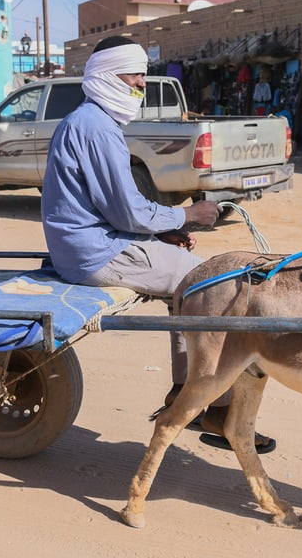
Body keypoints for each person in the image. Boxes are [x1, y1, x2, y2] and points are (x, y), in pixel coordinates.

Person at [41, 35, 276, 453]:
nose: (140, 84)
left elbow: (117, 208)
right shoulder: (95, 126)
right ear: (109, 74)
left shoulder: (92, 121)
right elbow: (127, 211)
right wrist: (188, 215)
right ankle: (215, 407)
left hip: (95, 241)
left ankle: (186, 392)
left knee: (195, 277)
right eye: (134, 74)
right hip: (97, 251)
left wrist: (160, 230)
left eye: (143, 75)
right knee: (209, 284)